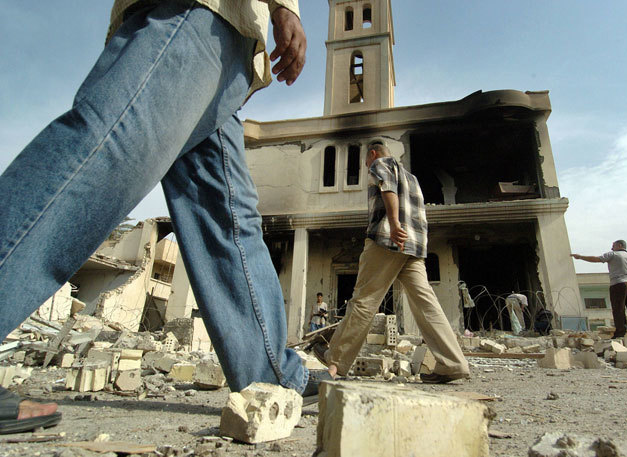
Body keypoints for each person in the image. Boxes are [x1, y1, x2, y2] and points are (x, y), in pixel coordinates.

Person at [0, 0, 330, 433]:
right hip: (200, 13)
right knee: (103, 154)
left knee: (226, 219)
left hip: (231, 45)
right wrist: (287, 6)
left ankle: (269, 373)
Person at [313, 142, 470, 383]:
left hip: (388, 239)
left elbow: (387, 188)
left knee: (364, 299)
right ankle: (453, 363)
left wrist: (394, 223)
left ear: (373, 154)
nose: (368, 167)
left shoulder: (381, 163)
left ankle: (336, 361)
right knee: (425, 303)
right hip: (414, 246)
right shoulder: (412, 178)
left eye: (366, 162)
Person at [571, 240, 627, 338]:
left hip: (618, 283)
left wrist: (581, 257)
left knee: (618, 308)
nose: (612, 248)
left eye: (613, 246)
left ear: (619, 245)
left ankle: (620, 332)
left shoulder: (613, 254)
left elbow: (597, 259)